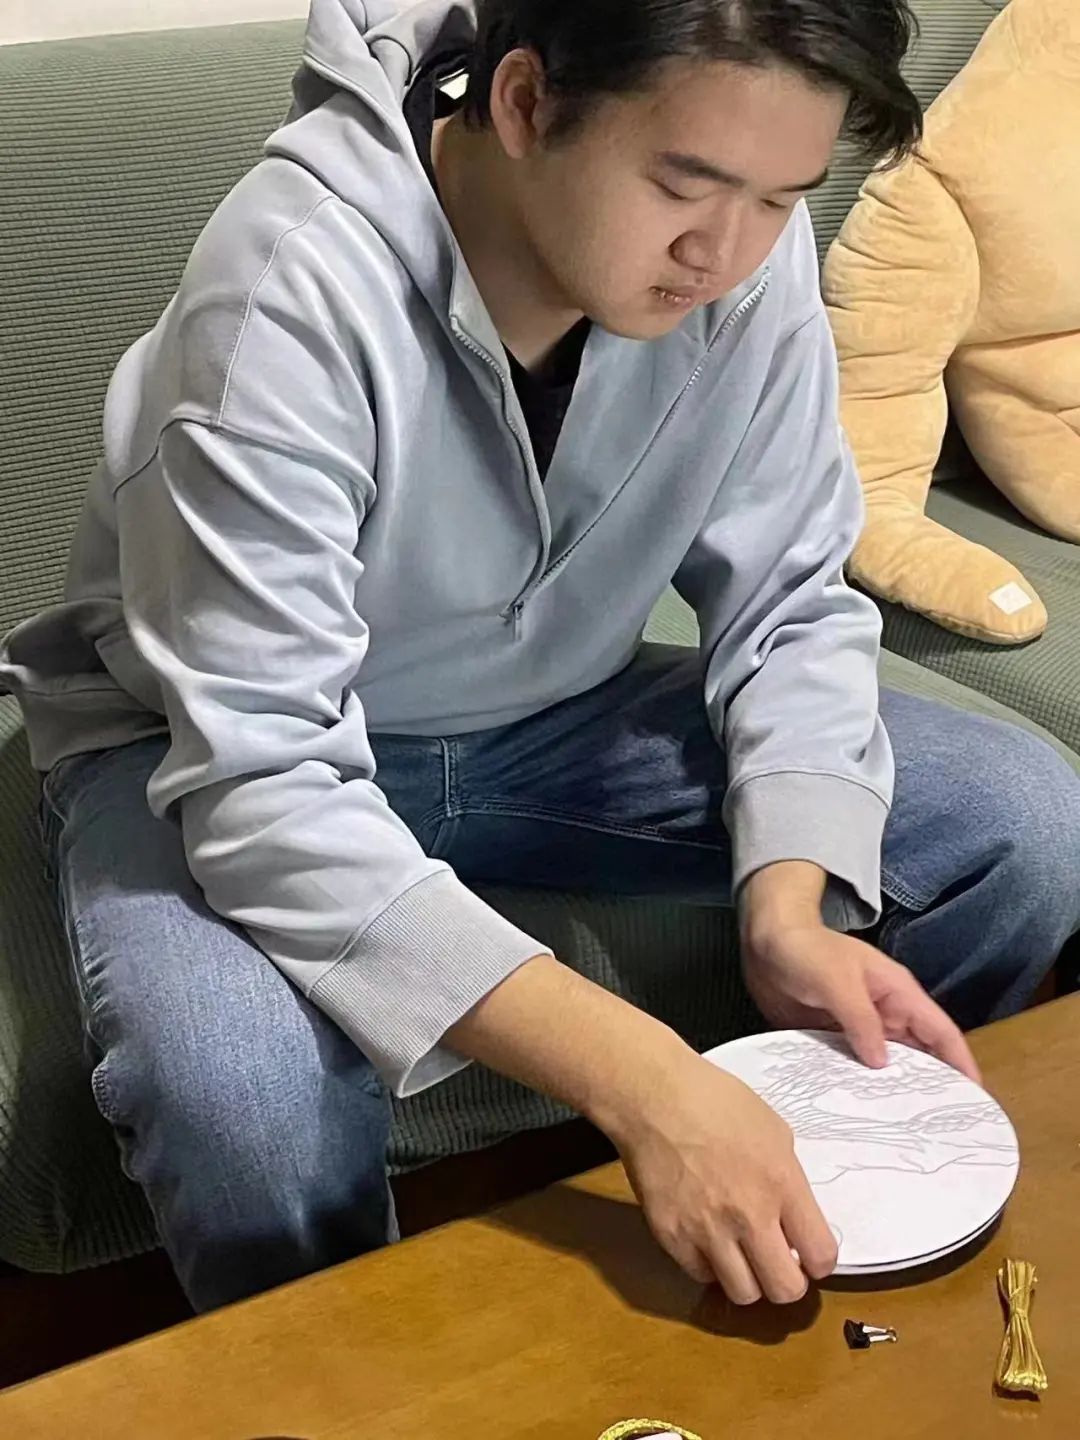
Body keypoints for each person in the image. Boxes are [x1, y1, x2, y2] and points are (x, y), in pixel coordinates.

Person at [3, 0, 1079, 1316]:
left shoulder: (748, 255)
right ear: (521, 102)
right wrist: (651, 1084)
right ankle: (346, 1376)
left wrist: (787, 909)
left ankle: (822, 1230)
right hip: (202, 746)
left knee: (1025, 821)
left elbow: (792, 599)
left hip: (551, 722)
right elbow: (265, 784)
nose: (724, 253)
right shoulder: (286, 291)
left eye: (781, 198)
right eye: (683, 185)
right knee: (238, 1084)